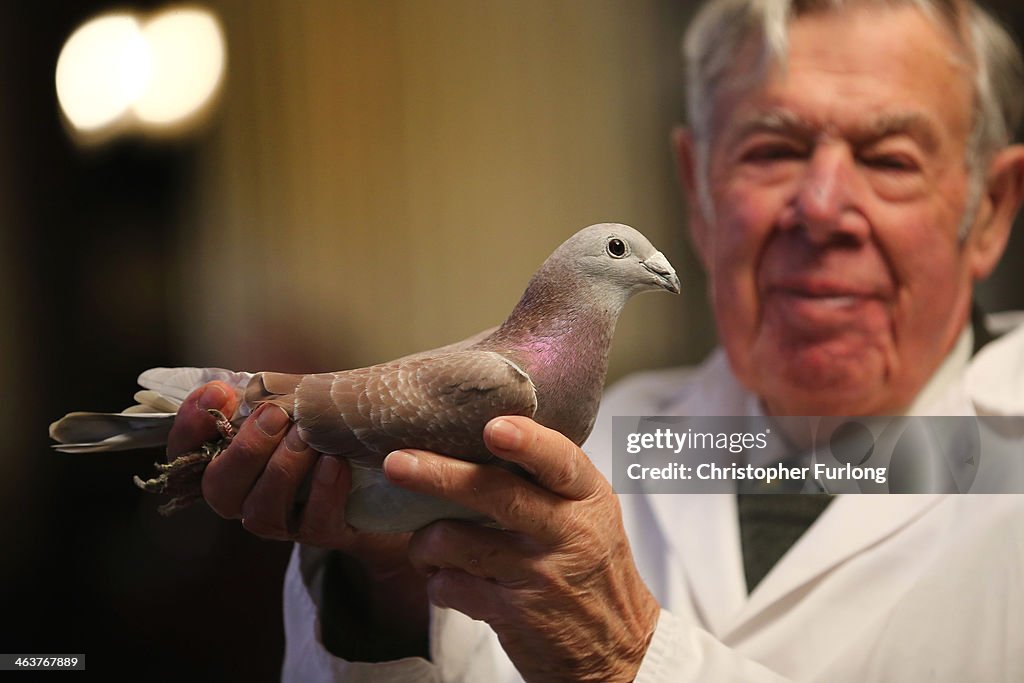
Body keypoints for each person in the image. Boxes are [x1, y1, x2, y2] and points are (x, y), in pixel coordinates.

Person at [170, 0, 1024, 680]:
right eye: (774, 148)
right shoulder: (593, 434)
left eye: (890, 157)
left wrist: (627, 661)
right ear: (696, 191)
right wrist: (387, 584)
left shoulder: (1008, 458)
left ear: (989, 210)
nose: (825, 207)